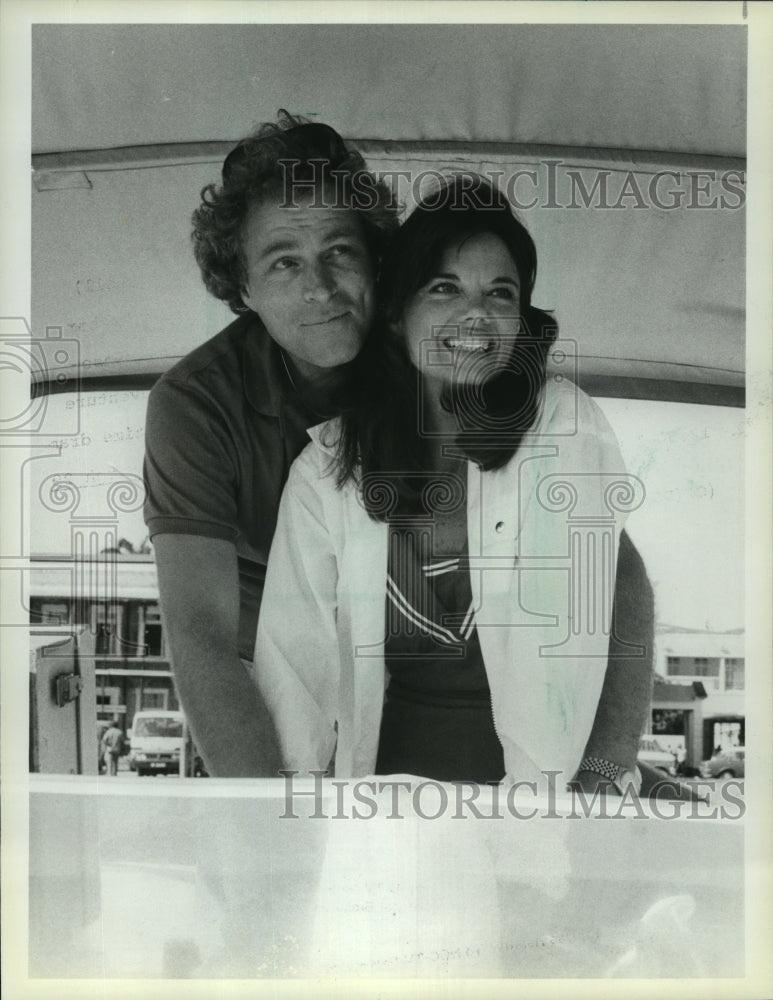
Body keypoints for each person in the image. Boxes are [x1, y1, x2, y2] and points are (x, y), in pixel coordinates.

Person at [254, 175, 653, 792]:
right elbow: (292, 667)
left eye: (501, 292)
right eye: (444, 287)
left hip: (547, 801)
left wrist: (603, 769)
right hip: (388, 803)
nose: (476, 313)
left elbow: (616, 588)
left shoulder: (564, 428)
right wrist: (291, 826)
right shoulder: (326, 467)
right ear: (394, 313)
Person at [143, 113, 397, 776]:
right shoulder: (194, 403)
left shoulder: (435, 360)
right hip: (266, 679)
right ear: (243, 290)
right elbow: (202, 634)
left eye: (339, 250)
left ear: (374, 259)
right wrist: (264, 827)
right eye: (283, 262)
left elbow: (595, 560)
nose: (319, 287)